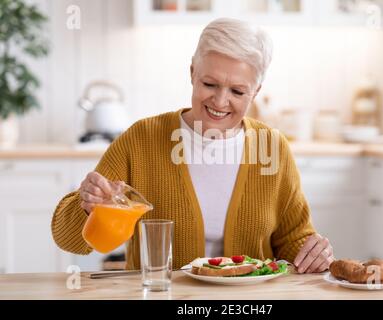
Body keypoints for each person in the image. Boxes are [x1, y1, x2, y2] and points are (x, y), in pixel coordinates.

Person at [52, 18, 334, 273]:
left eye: (237, 91)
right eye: (210, 84)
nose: (220, 102)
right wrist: (88, 207)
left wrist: (314, 253)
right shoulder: (141, 139)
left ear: (256, 91)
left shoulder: (273, 147)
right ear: (192, 73)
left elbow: (293, 241)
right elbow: (68, 240)